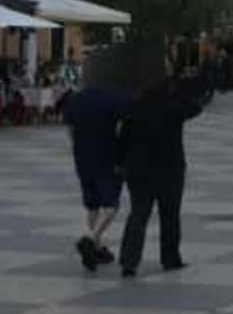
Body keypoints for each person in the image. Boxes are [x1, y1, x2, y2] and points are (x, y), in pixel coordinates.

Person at [118, 65, 199, 276]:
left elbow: (123, 138)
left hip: (138, 170)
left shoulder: (134, 106)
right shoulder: (173, 106)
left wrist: (120, 162)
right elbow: (195, 107)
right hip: (170, 170)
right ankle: (170, 258)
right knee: (170, 215)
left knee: (138, 215)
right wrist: (179, 91)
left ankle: (129, 261)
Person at [63, 52, 127, 271]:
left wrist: (78, 147)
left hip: (82, 157)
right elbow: (122, 128)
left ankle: (97, 248)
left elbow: (70, 129)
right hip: (108, 156)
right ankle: (90, 239)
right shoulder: (115, 98)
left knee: (92, 204)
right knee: (111, 205)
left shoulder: (76, 99)